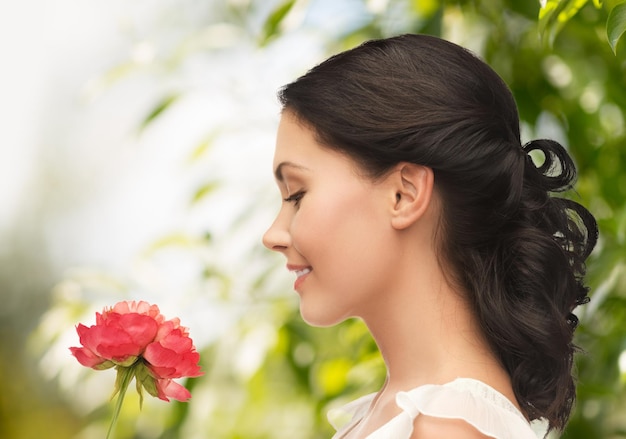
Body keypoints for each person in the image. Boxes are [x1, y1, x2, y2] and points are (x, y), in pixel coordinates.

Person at [262, 34, 598, 439]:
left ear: (404, 194)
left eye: (297, 194)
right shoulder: (408, 414)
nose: (273, 235)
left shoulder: (447, 428)